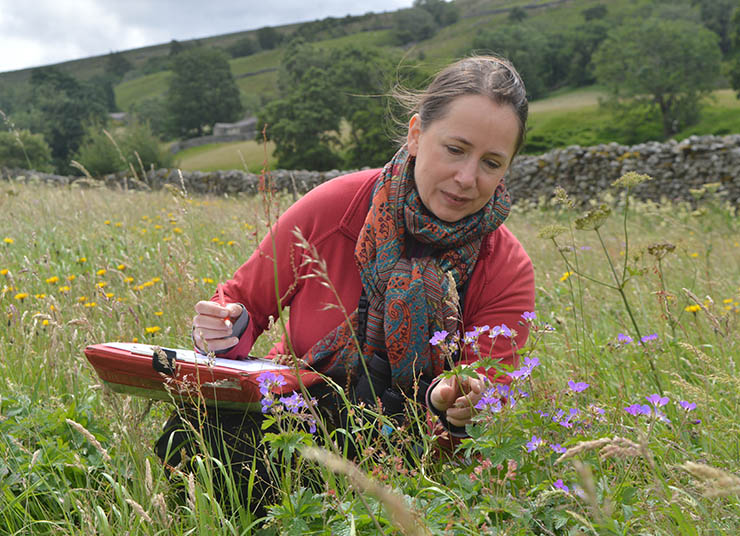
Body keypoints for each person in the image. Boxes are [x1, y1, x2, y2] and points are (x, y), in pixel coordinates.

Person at [156, 55, 535, 512]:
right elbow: (241, 306)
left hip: (411, 469)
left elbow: (485, 424)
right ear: (416, 135)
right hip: (295, 422)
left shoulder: (506, 266)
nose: (467, 178)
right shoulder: (335, 208)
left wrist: (451, 409)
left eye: (491, 163)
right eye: (455, 149)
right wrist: (222, 328)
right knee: (196, 430)